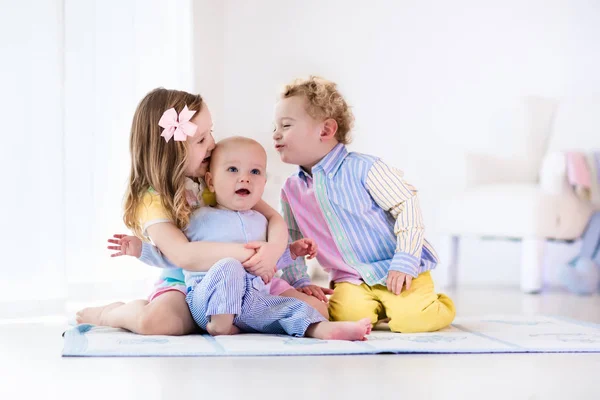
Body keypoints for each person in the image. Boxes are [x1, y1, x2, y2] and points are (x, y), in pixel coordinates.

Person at [272, 76, 456, 333]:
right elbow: (291, 237)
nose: (275, 134)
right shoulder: (291, 189)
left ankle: (438, 304)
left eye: (286, 125)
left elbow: (407, 205)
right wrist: (299, 280)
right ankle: (381, 307)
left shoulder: (366, 168)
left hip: (395, 268)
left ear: (325, 131)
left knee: (414, 321)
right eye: (275, 127)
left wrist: (405, 260)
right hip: (350, 279)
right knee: (343, 318)